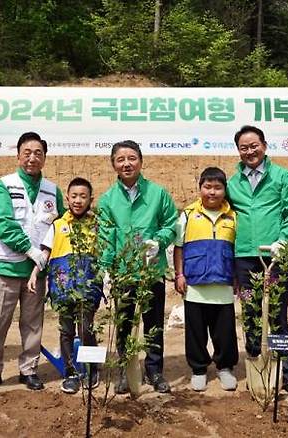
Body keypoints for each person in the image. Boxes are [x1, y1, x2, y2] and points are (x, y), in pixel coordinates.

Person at [0, 131, 65, 392]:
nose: (32, 158)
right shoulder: (5, 185)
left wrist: (43, 256)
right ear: (18, 155)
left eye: (38, 153)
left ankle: (29, 370)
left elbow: (61, 226)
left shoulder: (52, 190)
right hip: (7, 267)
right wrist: (29, 249)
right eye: (27, 153)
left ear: (45, 157)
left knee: (33, 323)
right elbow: (4, 224)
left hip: (37, 271)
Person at [226, 125, 288, 400]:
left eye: (254, 145)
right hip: (245, 260)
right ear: (238, 151)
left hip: (274, 259)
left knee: (277, 315)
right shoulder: (232, 182)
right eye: (243, 147)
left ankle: (287, 375)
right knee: (250, 312)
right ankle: (257, 369)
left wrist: (283, 240)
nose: (250, 151)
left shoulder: (282, 176)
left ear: (264, 145)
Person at [98, 140, 177, 394]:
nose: (126, 163)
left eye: (131, 158)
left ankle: (155, 371)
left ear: (141, 161)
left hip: (151, 271)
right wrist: (107, 270)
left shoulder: (157, 193)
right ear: (114, 165)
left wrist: (160, 240)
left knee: (153, 324)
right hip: (124, 273)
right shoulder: (108, 200)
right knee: (124, 325)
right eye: (120, 159)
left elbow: (171, 223)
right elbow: (106, 237)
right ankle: (126, 370)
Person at [27, 177, 103, 394]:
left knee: (87, 328)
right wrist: (35, 273)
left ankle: (91, 370)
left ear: (90, 199)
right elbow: (45, 253)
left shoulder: (96, 225)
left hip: (88, 288)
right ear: (67, 198)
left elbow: (105, 254)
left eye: (83, 196)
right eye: (74, 196)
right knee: (67, 330)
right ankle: (71, 373)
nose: (78, 200)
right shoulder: (58, 225)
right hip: (63, 288)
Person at [173, 167, 239, 392]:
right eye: (207, 187)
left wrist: (237, 278)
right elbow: (179, 247)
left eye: (218, 187)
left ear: (224, 190)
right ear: (200, 188)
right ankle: (199, 369)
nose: (212, 192)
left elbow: (238, 249)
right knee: (196, 331)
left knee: (224, 330)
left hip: (223, 283)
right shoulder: (188, 214)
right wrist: (180, 274)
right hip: (195, 284)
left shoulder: (233, 216)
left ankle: (225, 367)